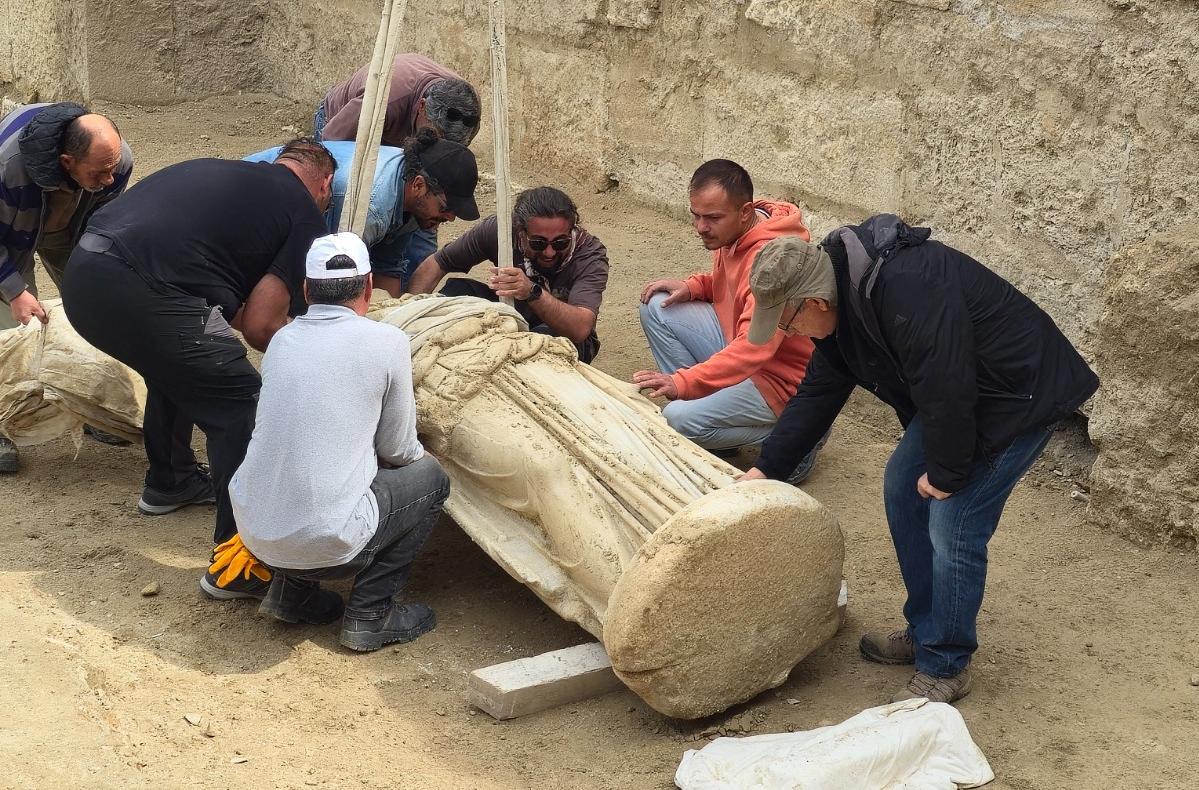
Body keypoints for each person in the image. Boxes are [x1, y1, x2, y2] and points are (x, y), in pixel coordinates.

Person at [741, 221, 1100, 704]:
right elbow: (820, 390)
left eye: (786, 323)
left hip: (1018, 394)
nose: (788, 334)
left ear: (814, 303)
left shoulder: (909, 287)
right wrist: (767, 468)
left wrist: (949, 472)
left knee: (954, 521)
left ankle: (945, 663)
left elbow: (945, 380)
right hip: (962, 395)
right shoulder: (839, 299)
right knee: (901, 485)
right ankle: (926, 627)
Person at [60, 138, 334, 599]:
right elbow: (262, 328)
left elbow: (236, 316)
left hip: (85, 276)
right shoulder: (303, 210)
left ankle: (172, 481)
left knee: (193, 362)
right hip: (138, 285)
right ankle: (238, 566)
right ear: (324, 184)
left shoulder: (227, 173)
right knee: (239, 402)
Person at [229, 232, 449, 650]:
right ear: (369, 286)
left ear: (307, 290)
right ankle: (370, 615)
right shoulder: (387, 342)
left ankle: (291, 595)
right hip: (329, 546)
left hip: (255, 532)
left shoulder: (282, 341)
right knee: (431, 478)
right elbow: (399, 451)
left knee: (311, 464)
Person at [633, 159, 820, 476]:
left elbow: (753, 347)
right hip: (745, 348)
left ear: (745, 212)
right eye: (696, 215)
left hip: (780, 380)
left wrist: (684, 382)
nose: (700, 227)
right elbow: (734, 288)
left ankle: (797, 439)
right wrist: (696, 286)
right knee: (657, 305)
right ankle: (715, 419)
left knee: (675, 418)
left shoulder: (773, 258)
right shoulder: (731, 232)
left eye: (712, 218)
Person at [0, 102, 133, 472]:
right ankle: (2, 420)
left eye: (113, 168)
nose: (110, 178)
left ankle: (89, 405)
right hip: (11, 224)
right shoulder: (6, 169)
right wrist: (13, 289)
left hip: (68, 224)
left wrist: (95, 277)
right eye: (100, 171)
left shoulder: (115, 163)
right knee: (9, 332)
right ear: (67, 161)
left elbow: (104, 223)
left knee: (95, 309)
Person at [246, 128, 479, 294]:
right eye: (446, 207)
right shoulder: (371, 208)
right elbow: (328, 277)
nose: (450, 217)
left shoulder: (410, 192)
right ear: (418, 185)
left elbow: (388, 266)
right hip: (253, 206)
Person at [407, 186, 608, 363]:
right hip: (509, 311)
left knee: (542, 342)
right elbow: (435, 264)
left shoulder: (589, 253)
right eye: (538, 243)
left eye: (560, 243)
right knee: (458, 292)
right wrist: (409, 315)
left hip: (562, 332)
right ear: (520, 232)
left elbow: (580, 329)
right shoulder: (500, 230)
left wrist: (532, 291)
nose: (549, 252)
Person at [316, 53, 480, 147]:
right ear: (422, 106)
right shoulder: (384, 99)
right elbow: (330, 143)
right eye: (433, 136)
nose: (436, 148)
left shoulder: (469, 111)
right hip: (339, 124)